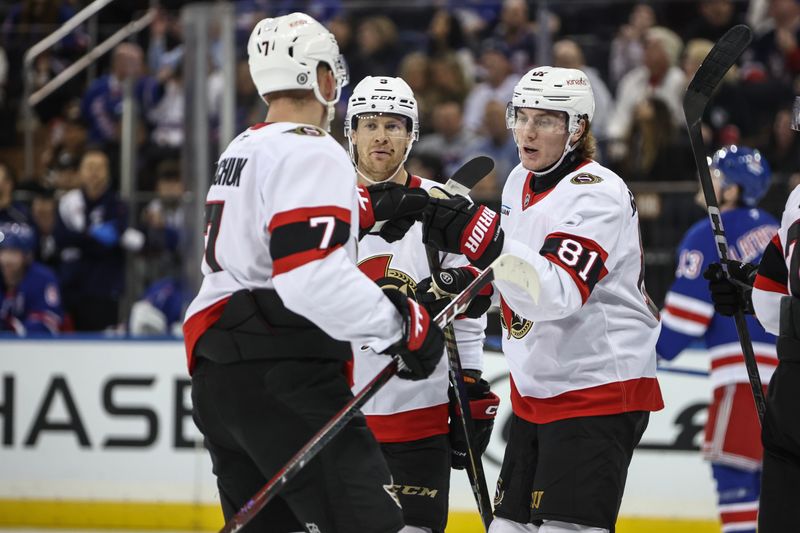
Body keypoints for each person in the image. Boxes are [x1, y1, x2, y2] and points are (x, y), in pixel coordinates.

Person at [182, 13, 445, 533]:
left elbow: (266, 241)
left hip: (218, 378)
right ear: (323, 77)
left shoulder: (243, 147)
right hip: (284, 373)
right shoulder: (312, 148)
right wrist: (401, 326)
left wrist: (377, 207)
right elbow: (309, 276)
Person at [420, 66, 664, 533]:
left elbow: (558, 293)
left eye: (547, 120)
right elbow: (515, 270)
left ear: (578, 129)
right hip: (539, 391)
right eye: (521, 116)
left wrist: (487, 242)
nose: (528, 131)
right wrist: (468, 286)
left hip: (597, 391)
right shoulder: (518, 181)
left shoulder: (598, 195)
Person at [344, 75, 499, 533]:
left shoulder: (441, 206)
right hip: (338, 411)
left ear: (412, 135)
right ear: (350, 132)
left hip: (420, 410)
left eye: (394, 125)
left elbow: (469, 310)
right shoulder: (324, 204)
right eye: (369, 124)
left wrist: (469, 377)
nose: (380, 136)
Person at [657, 146, 779, 533]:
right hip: (789, 379)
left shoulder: (708, 234)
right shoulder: (778, 228)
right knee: (779, 492)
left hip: (744, 382)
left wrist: (642, 352)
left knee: (736, 483)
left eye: (716, 175)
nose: (708, 181)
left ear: (733, 188)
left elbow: (680, 329)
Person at [705, 99, 800, 533]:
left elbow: (769, 303)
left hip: (771, 381)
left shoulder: (796, 201)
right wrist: (747, 289)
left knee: (751, 488)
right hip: (780, 373)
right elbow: (767, 296)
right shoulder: (774, 215)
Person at [0, 222, 62, 335]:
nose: (6, 259)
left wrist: (14, 329)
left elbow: (48, 322)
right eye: (2, 251)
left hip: (36, 349)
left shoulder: (42, 278)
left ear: (27, 256)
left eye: (13, 252)